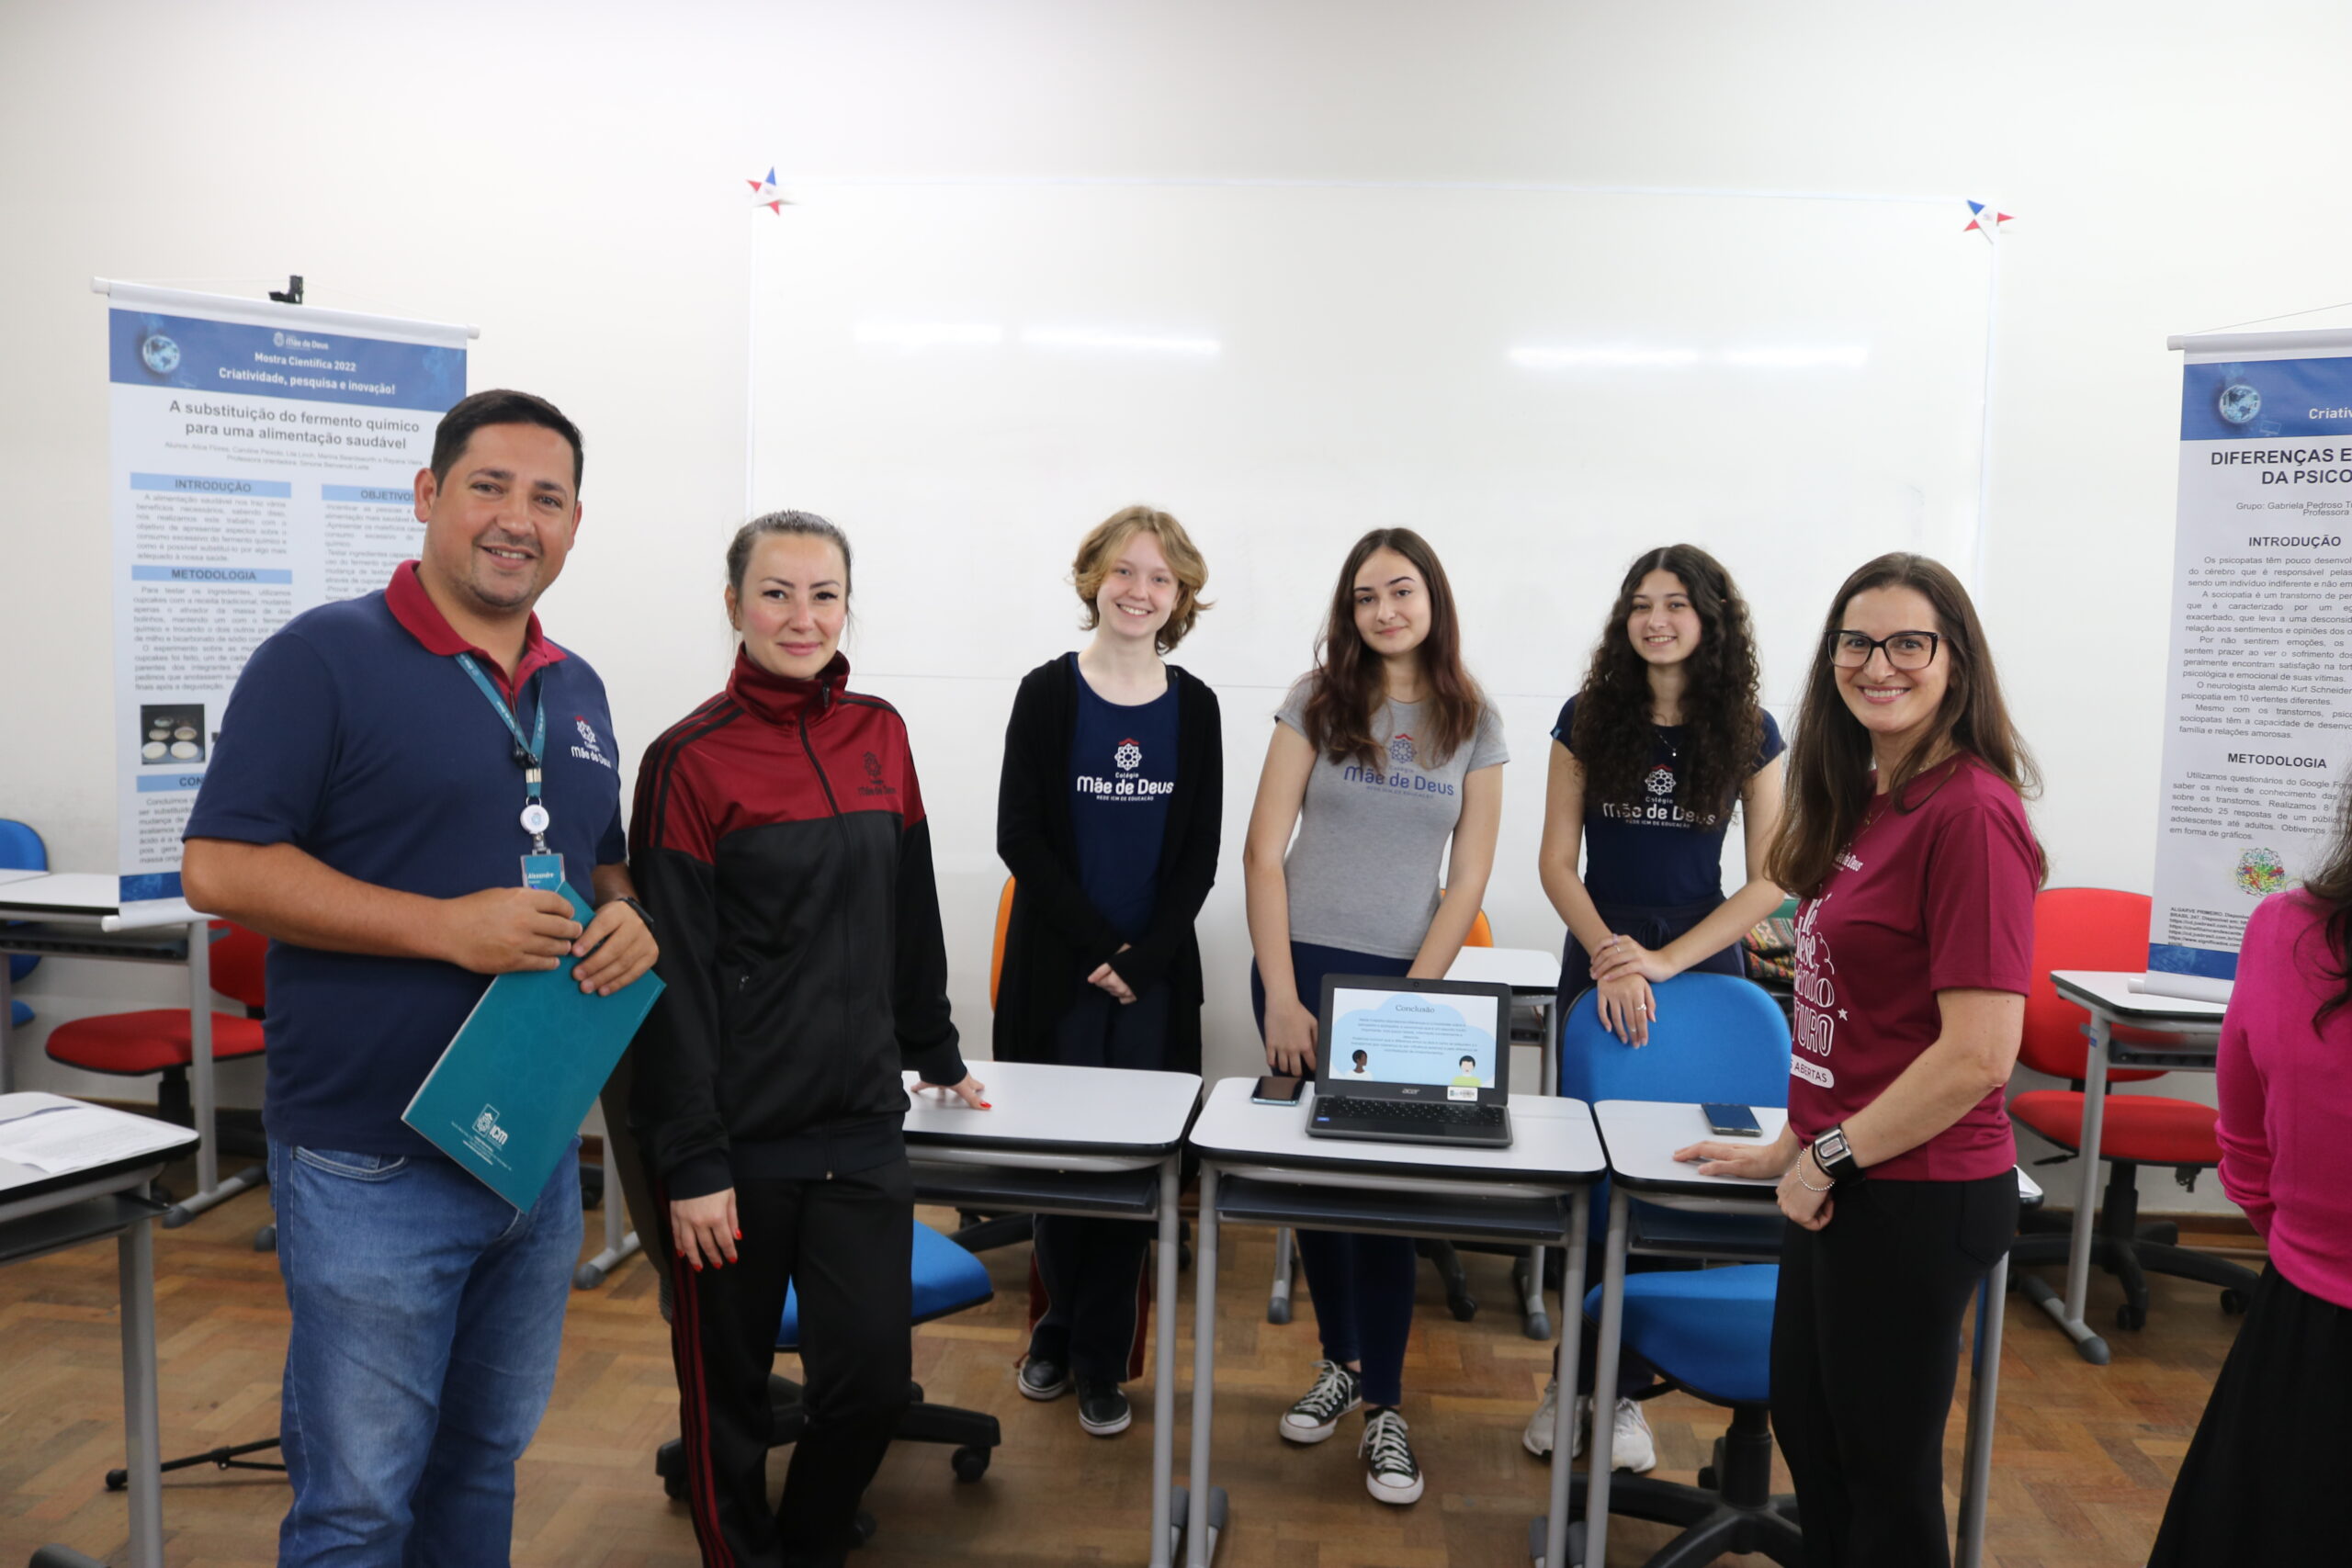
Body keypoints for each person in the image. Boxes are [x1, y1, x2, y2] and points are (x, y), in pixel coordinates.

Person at [180, 389, 659, 1567]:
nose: (516, 519)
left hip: (529, 1152)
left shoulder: (577, 686)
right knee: (358, 1507)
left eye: (546, 498)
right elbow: (220, 867)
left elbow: (601, 858)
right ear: (427, 496)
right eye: (488, 487)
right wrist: (444, 929)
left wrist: (629, 915)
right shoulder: (321, 658)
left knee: (481, 1466)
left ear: (576, 523)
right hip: (369, 1160)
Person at [628, 509, 986, 1568]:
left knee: (871, 1384)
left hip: (861, 1124)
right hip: (738, 1140)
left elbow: (909, 910)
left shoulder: (880, 733)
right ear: (734, 605)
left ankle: (811, 1539)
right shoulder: (687, 760)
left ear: (846, 606)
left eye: (823, 594)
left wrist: (937, 1051)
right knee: (729, 1402)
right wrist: (692, 1159)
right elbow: (672, 981)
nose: (801, 616)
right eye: (776, 593)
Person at [1676, 551, 2041, 1568]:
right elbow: (1854, 1019)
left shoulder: (1972, 815)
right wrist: (1790, 1144)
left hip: (1917, 1190)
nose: (1878, 665)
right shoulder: (1872, 796)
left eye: (1907, 643)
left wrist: (1826, 1157)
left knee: (1883, 1481)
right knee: (1820, 1446)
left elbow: (1978, 1055)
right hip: (1846, 1174)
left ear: (1956, 662)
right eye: (1856, 643)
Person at [1243, 526, 1507, 1506]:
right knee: (1319, 1188)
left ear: (1432, 599)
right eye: (1365, 596)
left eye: (1401, 591)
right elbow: (1262, 852)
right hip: (1301, 970)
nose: (1384, 610)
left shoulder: (1474, 719)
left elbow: (1466, 878)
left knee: (1387, 1203)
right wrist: (1280, 993)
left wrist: (1411, 1001)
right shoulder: (1315, 699)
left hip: (1405, 985)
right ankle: (1341, 1362)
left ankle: (1387, 1406)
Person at [1523, 543, 1787, 1471]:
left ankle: (1626, 1393)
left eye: (1676, 603)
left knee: (1682, 1172)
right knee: (1596, 1183)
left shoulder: (1750, 730)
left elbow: (1771, 878)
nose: (1656, 619)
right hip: (1600, 949)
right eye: (1641, 603)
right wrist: (1612, 957)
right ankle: (1572, 1380)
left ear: (1710, 621)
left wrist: (1665, 962)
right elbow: (1556, 862)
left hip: (1702, 965)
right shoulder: (1587, 717)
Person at [993, 504, 1223, 1438]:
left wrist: (1143, 959)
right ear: (1094, 578)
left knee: (1135, 1170)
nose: (1139, 590)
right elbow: (1020, 837)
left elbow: (1198, 855)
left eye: (1160, 577)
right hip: (1061, 973)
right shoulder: (1046, 694)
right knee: (1063, 1164)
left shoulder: (1196, 706)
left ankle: (1100, 1356)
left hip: (1154, 982)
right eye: (1124, 571)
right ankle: (1051, 1332)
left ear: (1180, 596)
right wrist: (1099, 950)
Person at [2146, 792, 2352, 1562]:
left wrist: (2301, 1241)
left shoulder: (2283, 927)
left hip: (2301, 1331)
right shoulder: (2284, 930)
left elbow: (2245, 1144)